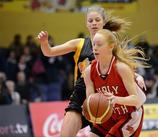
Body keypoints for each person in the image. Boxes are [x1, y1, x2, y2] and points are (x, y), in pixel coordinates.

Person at [37, 6, 146, 137]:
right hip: (82, 95)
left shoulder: (111, 44)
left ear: (104, 23)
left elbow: (123, 65)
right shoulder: (80, 43)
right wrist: (44, 43)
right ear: (86, 24)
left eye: (97, 20)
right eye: (90, 20)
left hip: (104, 95)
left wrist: (137, 76)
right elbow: (49, 52)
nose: (93, 23)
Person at [83, 29, 149, 137]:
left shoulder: (121, 68)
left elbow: (136, 99)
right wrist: (88, 108)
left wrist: (116, 99)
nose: (95, 47)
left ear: (111, 46)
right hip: (109, 114)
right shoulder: (89, 71)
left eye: (99, 44)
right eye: (93, 44)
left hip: (130, 114)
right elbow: (90, 99)